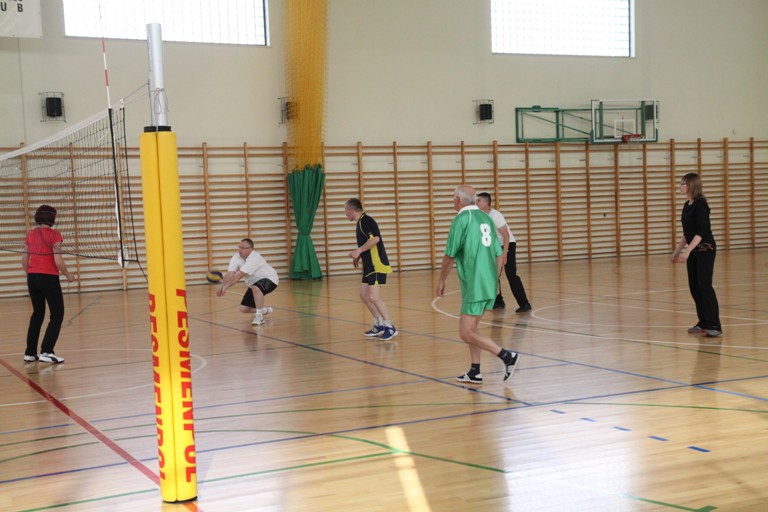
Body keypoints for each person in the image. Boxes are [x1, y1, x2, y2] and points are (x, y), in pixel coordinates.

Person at [436, 185, 520, 384]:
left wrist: (441, 280)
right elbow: (499, 254)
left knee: (466, 332)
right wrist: (494, 279)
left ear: (458, 200)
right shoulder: (486, 218)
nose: (452, 201)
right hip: (487, 282)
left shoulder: (461, 220)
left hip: (475, 283)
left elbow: (450, 255)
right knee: (472, 329)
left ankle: (507, 356)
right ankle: (475, 371)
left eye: (453, 198)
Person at [22, 205, 76, 364]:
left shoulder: (30, 234)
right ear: (52, 218)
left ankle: (30, 353)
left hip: (32, 277)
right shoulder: (54, 234)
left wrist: (32, 275)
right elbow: (58, 261)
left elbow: (24, 260)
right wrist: (68, 275)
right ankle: (46, 351)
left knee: (37, 314)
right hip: (49, 278)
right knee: (57, 314)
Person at [671, 173, 722, 337]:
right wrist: (677, 250)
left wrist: (687, 251)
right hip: (693, 249)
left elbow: (701, 231)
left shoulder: (701, 205)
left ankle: (715, 324)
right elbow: (688, 233)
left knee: (704, 285)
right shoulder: (687, 205)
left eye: (683, 183)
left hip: (705, 249)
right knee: (694, 286)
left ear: (692, 185)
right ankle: (704, 322)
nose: (680, 186)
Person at [344, 198, 398, 341]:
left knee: (373, 297)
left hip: (376, 264)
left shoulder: (366, 220)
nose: (345, 214)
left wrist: (358, 250)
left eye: (346, 211)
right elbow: (368, 243)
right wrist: (359, 256)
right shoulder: (360, 223)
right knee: (364, 295)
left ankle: (390, 326)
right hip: (369, 266)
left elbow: (375, 239)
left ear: (351, 210)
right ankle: (379, 324)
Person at [476, 192, 532, 313]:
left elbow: (506, 235)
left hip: (508, 244)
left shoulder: (495, 215)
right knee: (493, 274)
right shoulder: (481, 216)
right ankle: (498, 301)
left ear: (486, 202)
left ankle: (524, 303)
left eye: (479, 200)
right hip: (495, 247)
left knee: (511, 274)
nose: (476, 202)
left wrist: (505, 254)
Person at [216, 238, 279, 326]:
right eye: (239, 247)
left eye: (243, 248)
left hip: (270, 279)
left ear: (251, 249)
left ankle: (259, 317)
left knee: (256, 288)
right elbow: (230, 273)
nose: (240, 250)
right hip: (254, 284)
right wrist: (222, 286)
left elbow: (239, 275)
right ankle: (264, 310)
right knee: (244, 309)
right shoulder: (236, 257)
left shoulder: (254, 258)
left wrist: (226, 288)